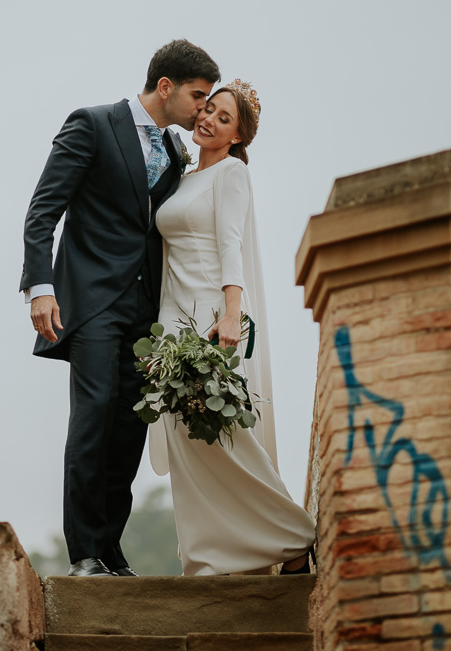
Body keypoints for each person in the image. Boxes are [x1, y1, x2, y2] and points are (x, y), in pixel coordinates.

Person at [21, 40, 220, 577]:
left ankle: (110, 547)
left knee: (131, 426)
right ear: (165, 87)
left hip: (145, 312)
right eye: (198, 97)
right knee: (93, 417)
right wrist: (40, 286)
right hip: (89, 303)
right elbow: (44, 210)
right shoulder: (91, 124)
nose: (203, 109)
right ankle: (84, 552)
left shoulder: (176, 152)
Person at [147, 79, 316, 576]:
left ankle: (292, 538)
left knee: (223, 431)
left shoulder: (231, 176)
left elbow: (230, 246)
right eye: (209, 109)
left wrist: (230, 315)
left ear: (237, 138)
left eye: (224, 119)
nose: (209, 120)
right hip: (171, 322)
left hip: (209, 317)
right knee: (186, 439)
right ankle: (206, 558)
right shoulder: (180, 177)